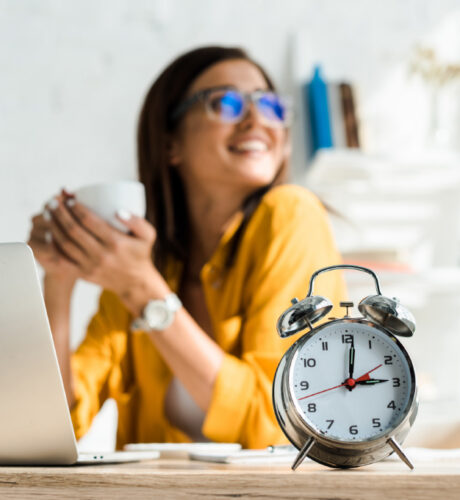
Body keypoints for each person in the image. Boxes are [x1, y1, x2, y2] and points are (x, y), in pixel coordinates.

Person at [28, 46, 346, 449]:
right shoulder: (146, 264)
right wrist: (58, 279)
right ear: (169, 145)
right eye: (227, 103)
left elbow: (283, 422)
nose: (256, 119)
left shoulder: (293, 213)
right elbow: (55, 426)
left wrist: (144, 292)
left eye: (270, 105)